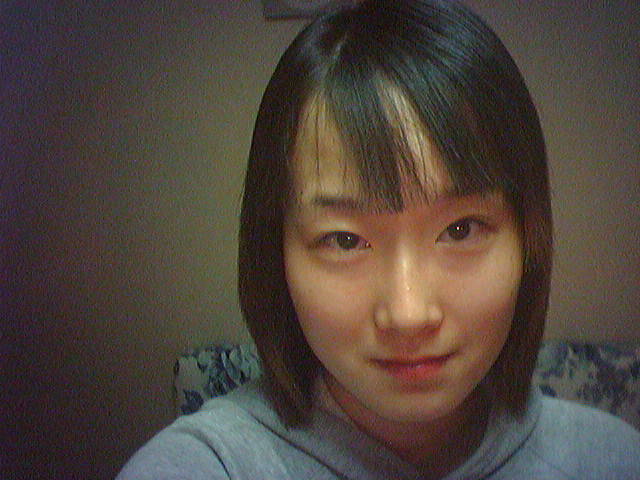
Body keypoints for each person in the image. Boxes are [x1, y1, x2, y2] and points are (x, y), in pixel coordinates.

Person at [118, 1, 640, 478]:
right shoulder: (212, 464)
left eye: (460, 229)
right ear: (276, 254)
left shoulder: (610, 459)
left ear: (528, 238)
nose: (408, 314)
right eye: (344, 240)